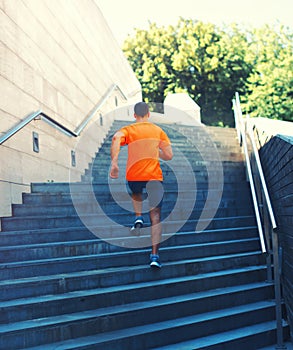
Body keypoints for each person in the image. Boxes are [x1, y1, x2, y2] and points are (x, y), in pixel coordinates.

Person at [110, 102, 173, 268]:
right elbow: (169, 155)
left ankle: (138, 217)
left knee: (136, 193)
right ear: (149, 114)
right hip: (154, 176)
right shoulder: (158, 131)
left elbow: (116, 137)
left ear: (134, 115)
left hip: (134, 174)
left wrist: (114, 162)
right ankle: (154, 256)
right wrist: (154, 150)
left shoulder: (129, 130)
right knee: (156, 217)